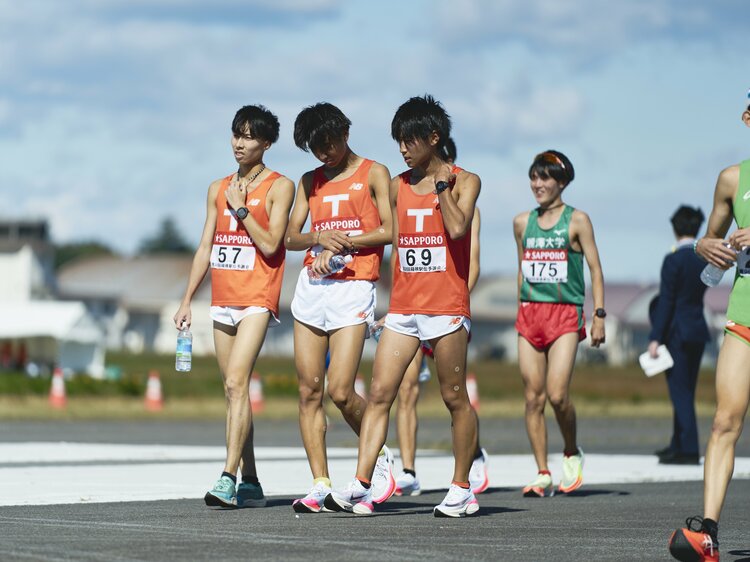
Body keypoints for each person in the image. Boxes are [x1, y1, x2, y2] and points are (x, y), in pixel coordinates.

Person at [325, 94, 482, 517]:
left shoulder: (466, 181)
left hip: (447, 306)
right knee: (378, 394)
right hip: (403, 308)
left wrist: (442, 186)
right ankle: (362, 483)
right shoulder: (396, 185)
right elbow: (382, 232)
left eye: (409, 140)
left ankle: (462, 487)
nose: (402, 149)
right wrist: (340, 244)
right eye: (397, 141)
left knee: (454, 398)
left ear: (433, 138)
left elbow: (456, 226)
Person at [174, 104, 295, 508]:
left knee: (236, 384)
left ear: (267, 142)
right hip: (222, 300)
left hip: (257, 299)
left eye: (248, 137)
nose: (239, 144)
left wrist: (242, 208)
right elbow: (205, 247)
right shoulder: (217, 187)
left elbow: (271, 243)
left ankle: (227, 477)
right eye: (236, 134)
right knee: (233, 391)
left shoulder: (280, 186)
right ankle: (253, 480)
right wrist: (187, 299)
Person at [284, 102, 394, 513]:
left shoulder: (374, 172)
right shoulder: (309, 181)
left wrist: (344, 241)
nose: (324, 152)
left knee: (341, 390)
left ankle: (378, 456)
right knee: (309, 391)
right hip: (313, 287)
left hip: (353, 288)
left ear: (345, 132)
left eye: (328, 142)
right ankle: (320, 482)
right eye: (315, 146)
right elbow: (290, 238)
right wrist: (318, 238)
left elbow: (391, 229)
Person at [668, 100, 750, 562]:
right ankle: (709, 533)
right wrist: (703, 244)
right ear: (747, 119)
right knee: (724, 421)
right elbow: (711, 244)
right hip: (744, 313)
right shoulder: (733, 179)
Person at [393, 137, 489, 498]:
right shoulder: (406, 192)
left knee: (453, 394)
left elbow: (472, 262)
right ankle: (407, 469)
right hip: (412, 305)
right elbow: (401, 252)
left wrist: (459, 300)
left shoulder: (465, 201)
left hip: (448, 307)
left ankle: (473, 455)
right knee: (405, 389)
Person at [512, 150, 605, 498]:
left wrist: (598, 315)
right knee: (533, 397)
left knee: (557, 394)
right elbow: (522, 267)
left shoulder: (577, 220)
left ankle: (571, 451)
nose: (538, 184)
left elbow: (595, 268)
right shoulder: (522, 222)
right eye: (534, 177)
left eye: (545, 178)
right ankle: (542, 472)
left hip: (565, 313)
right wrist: (520, 308)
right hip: (529, 314)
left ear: (562, 182)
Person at [648, 206, 710, 465]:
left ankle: (688, 449)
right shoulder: (703, 259)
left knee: (679, 392)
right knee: (687, 389)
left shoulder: (672, 260)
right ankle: (678, 442)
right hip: (697, 328)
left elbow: (667, 303)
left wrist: (655, 337)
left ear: (675, 227)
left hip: (676, 332)